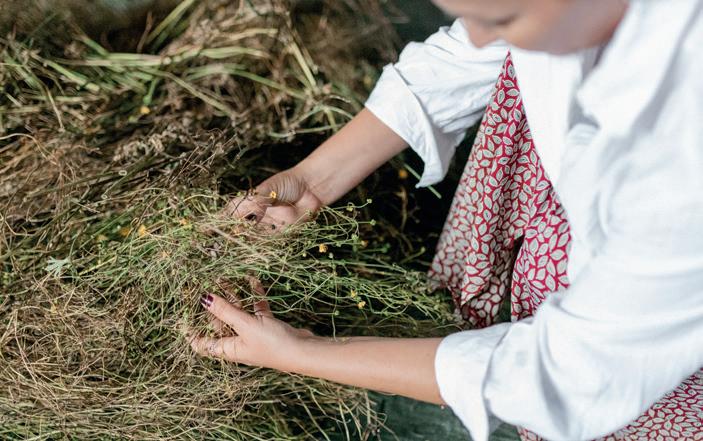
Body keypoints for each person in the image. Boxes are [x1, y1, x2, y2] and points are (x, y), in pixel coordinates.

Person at [188, 0, 703, 439]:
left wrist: (303, 352)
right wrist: (311, 183)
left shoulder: (680, 163)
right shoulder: (570, 13)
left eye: (502, 18)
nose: (477, 35)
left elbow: (570, 376)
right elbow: (471, 54)